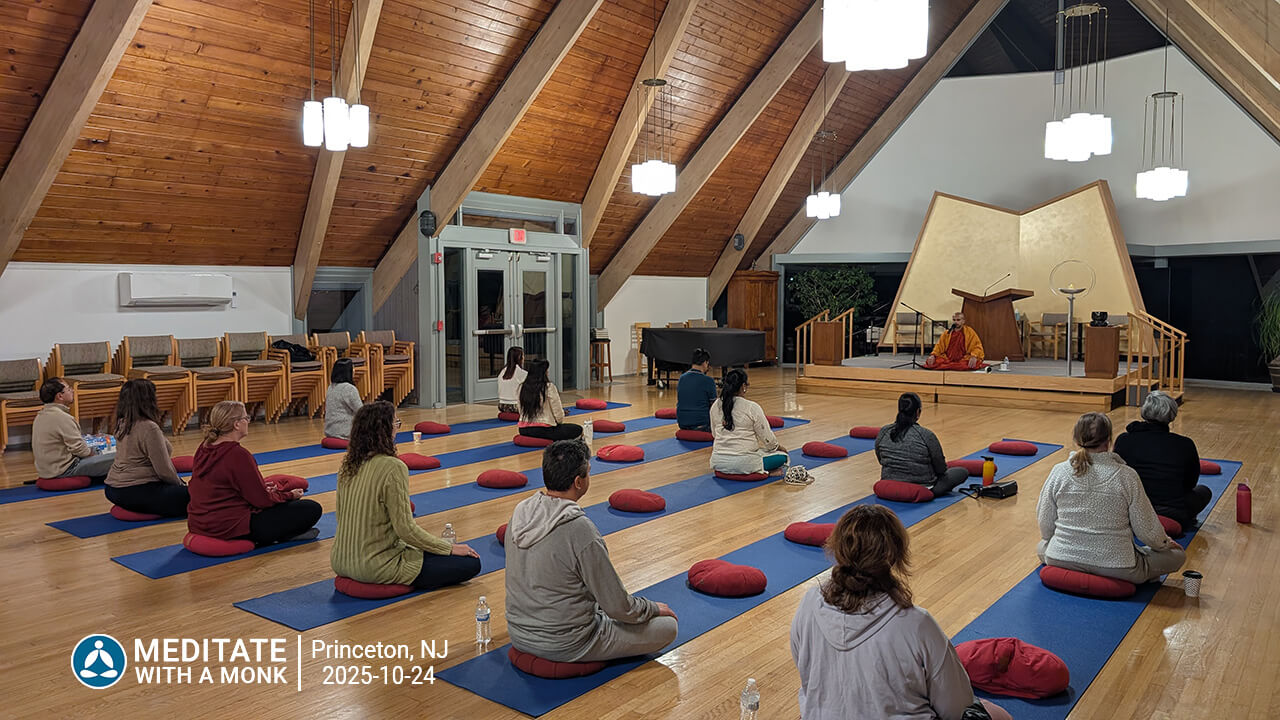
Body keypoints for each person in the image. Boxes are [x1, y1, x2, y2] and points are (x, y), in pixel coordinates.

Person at [791, 505, 1009, 720]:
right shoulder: (917, 624)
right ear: (894, 556)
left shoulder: (809, 602)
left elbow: (806, 672)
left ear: (838, 549)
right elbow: (956, 708)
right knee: (997, 714)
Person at [505, 439, 678, 662]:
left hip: (518, 633)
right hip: (568, 642)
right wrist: (651, 608)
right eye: (588, 472)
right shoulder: (579, 529)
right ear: (578, 482)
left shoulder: (520, 512)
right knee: (667, 626)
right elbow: (618, 606)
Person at [331, 401, 481, 589]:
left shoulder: (347, 466)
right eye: (396, 423)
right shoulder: (393, 467)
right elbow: (406, 530)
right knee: (470, 563)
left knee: (426, 551)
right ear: (385, 430)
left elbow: (341, 516)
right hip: (375, 566)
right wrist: (450, 548)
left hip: (340, 560)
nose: (397, 429)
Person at [1037, 412, 1185, 584]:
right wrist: (1164, 544)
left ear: (1076, 439)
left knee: (1042, 547)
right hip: (1118, 566)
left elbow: (1045, 523)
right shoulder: (1127, 475)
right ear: (1109, 441)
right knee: (1177, 556)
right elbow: (1146, 529)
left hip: (1062, 557)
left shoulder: (1059, 471)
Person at [187, 400, 323, 545]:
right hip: (228, 527)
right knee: (311, 509)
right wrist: (289, 496)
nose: (248, 421)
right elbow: (262, 501)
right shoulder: (237, 454)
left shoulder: (204, 446)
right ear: (236, 424)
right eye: (246, 418)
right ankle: (282, 535)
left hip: (199, 523)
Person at [1113, 391, 1211, 529]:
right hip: (1172, 510)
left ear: (1145, 411)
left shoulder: (1124, 439)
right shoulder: (1185, 444)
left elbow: (1117, 477)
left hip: (1132, 508)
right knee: (1204, 491)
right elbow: (1190, 482)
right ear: (1172, 415)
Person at [104, 379, 189, 517]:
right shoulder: (149, 427)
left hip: (112, 489)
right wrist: (180, 485)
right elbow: (164, 470)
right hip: (135, 489)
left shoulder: (123, 422)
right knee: (197, 496)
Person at [875, 392, 967, 497]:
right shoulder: (926, 435)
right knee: (961, 472)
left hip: (889, 483)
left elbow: (880, 459)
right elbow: (941, 468)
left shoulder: (884, 431)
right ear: (918, 412)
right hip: (923, 486)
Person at [31, 377, 115, 481]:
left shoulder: (40, 415)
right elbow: (80, 450)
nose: (72, 391)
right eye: (68, 389)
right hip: (66, 470)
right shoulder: (62, 417)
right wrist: (96, 455)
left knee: (99, 450)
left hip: (48, 470)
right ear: (60, 396)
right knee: (119, 458)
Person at [709, 369, 788, 476]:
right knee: (783, 457)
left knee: (759, 452)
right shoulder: (751, 407)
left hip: (718, 462)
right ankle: (767, 472)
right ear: (743, 386)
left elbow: (714, 434)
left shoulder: (715, 405)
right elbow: (767, 439)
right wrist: (779, 448)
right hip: (744, 463)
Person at [517, 360, 582, 441]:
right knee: (577, 429)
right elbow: (558, 414)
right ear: (544, 373)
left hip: (523, 430)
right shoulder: (549, 387)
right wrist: (558, 422)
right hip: (545, 430)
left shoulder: (522, 387)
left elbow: (520, 409)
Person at [676, 348, 717, 432]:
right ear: (705, 363)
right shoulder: (708, 381)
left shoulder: (681, 378)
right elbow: (714, 406)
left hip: (682, 423)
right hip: (702, 424)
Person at [324, 358, 363, 440]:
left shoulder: (330, 387)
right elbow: (361, 411)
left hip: (330, 432)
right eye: (353, 369)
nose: (354, 371)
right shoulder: (349, 389)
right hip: (345, 433)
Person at [497, 346, 527, 416]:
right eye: (523, 356)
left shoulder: (502, 371)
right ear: (519, 357)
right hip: (515, 407)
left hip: (501, 406)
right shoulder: (520, 372)